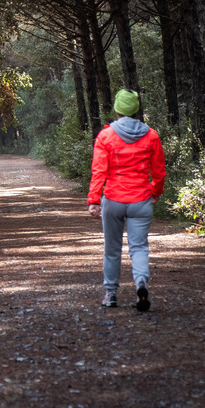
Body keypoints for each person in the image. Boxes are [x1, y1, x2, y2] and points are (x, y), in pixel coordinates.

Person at [87, 89, 165, 311]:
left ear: (117, 109)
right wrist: (155, 192)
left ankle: (111, 294)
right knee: (138, 247)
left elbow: (99, 171)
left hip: (113, 199)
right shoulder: (151, 135)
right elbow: (159, 171)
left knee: (112, 249)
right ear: (136, 109)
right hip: (141, 200)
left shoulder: (106, 136)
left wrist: (94, 200)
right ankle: (140, 283)